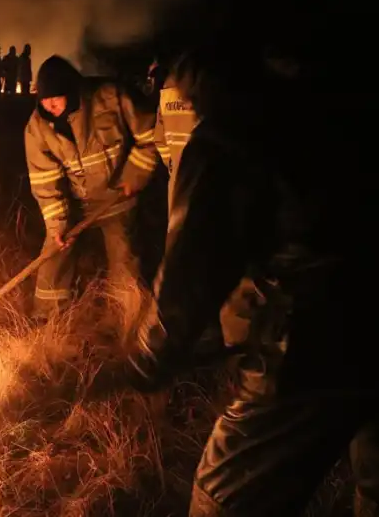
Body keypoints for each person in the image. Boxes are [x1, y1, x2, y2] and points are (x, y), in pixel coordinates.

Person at [116, 42, 379, 517]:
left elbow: (193, 267)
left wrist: (150, 357)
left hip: (316, 342)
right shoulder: (345, 95)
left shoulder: (229, 137)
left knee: (224, 499)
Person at [25, 55, 160, 317]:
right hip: (75, 205)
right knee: (54, 256)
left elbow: (153, 135)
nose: (49, 105)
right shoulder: (37, 128)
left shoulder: (111, 99)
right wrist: (58, 225)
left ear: (72, 90)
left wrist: (135, 174)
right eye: (44, 98)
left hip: (116, 198)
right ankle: (48, 319)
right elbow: (44, 181)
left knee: (125, 259)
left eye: (56, 97)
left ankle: (127, 319)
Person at [152, 57, 199, 210]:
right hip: (205, 179)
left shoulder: (168, 86)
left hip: (177, 180)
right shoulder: (208, 82)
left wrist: (173, 164)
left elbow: (159, 138)